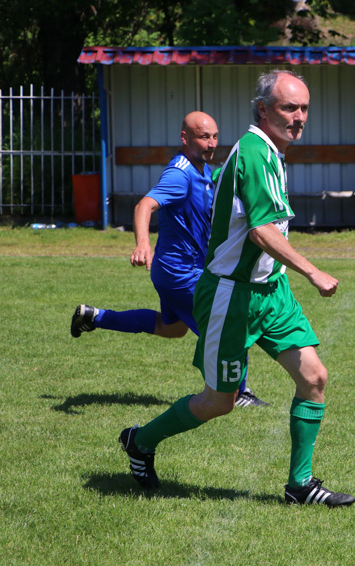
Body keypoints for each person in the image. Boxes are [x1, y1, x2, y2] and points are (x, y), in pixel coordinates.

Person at [118, 70, 354, 507]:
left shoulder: (273, 152)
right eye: (289, 107)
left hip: (270, 291)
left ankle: (299, 486)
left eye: (303, 108)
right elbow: (261, 231)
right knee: (218, 401)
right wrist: (313, 272)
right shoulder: (252, 152)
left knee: (314, 378)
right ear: (263, 110)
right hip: (231, 295)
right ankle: (140, 440)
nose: (299, 117)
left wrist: (286, 275)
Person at [70, 111, 268, 408]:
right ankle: (240, 393)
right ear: (184, 138)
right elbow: (144, 205)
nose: (211, 143)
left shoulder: (202, 169)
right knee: (228, 326)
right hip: (179, 273)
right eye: (204, 137)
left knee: (171, 328)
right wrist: (142, 244)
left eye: (214, 136)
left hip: (177, 270)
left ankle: (94, 316)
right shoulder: (180, 174)